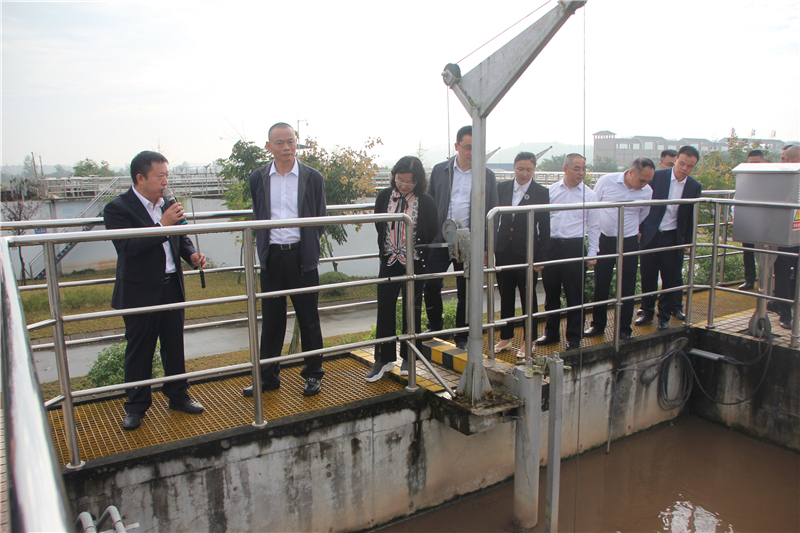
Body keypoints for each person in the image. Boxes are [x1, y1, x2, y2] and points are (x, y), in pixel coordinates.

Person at [104, 150, 206, 431]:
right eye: (159, 175)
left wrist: (191, 255)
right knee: (140, 350)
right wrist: (162, 225)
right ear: (140, 178)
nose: (165, 181)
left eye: (167, 175)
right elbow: (128, 248)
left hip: (171, 285)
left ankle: (178, 395)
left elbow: (180, 237)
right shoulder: (118, 208)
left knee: (174, 344)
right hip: (139, 291)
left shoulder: (167, 204)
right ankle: (136, 407)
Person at [245, 122, 326, 397]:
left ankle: (313, 374)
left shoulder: (312, 177)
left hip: (302, 257)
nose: (287, 147)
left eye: (290, 141)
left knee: (309, 319)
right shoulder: (258, 177)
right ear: (269, 146)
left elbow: (320, 218)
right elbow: (258, 214)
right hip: (272, 258)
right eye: (279, 143)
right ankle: (268, 377)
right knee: (271, 321)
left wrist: (308, 246)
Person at [424, 125, 499, 350]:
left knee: (466, 289)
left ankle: (462, 335)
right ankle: (435, 325)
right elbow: (429, 203)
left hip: (467, 240)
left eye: (477, 148)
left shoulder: (486, 175)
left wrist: (486, 247)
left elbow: (492, 212)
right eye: (467, 147)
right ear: (457, 146)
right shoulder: (440, 170)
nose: (471, 152)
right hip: (440, 238)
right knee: (430, 283)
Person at [367, 156, 438, 381]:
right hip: (389, 260)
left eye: (410, 182)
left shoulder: (426, 201)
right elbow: (379, 225)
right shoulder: (383, 196)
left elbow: (431, 230)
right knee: (385, 308)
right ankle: (383, 358)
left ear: (419, 180)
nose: (404, 185)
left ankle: (409, 355)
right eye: (400, 179)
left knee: (412, 308)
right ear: (393, 176)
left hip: (415, 262)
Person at [584, 158, 655, 340]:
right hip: (605, 238)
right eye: (642, 180)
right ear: (631, 172)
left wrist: (632, 229)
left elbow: (643, 214)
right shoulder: (607, 181)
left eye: (648, 181)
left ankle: (624, 328)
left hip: (629, 240)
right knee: (601, 282)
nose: (644, 184)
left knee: (627, 285)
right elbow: (593, 207)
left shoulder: (647, 191)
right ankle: (597, 325)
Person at [536, 154, 600, 350]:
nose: (581, 172)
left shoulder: (589, 195)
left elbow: (594, 226)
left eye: (584, 169)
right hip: (551, 246)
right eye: (577, 168)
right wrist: (540, 250)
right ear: (565, 169)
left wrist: (593, 252)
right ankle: (551, 333)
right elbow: (540, 222)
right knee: (551, 293)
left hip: (574, 246)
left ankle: (574, 337)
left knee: (575, 294)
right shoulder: (550, 191)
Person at [637, 146, 702, 331]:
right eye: (682, 163)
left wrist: (687, 241)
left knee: (670, 278)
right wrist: (639, 229)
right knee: (648, 276)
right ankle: (647, 311)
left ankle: (664, 316)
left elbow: (691, 217)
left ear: (694, 167)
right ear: (676, 161)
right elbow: (642, 204)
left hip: (674, 237)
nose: (684, 168)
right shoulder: (658, 176)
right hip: (650, 234)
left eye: (690, 166)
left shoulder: (694, 186)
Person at [493, 152, 550, 358]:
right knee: (505, 294)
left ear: (534, 169)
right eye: (520, 169)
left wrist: (541, 257)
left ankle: (529, 340)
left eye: (528, 169)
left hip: (527, 251)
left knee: (528, 297)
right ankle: (506, 337)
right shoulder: (502, 187)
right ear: (514, 168)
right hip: (503, 249)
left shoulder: (541, 192)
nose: (524, 173)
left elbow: (545, 227)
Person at [774, 145, 800, 329]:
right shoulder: (780, 178)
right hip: (783, 232)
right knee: (782, 272)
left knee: (791, 274)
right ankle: (784, 312)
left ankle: (786, 308)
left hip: (796, 231)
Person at [739, 149, 767, 291]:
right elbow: (737, 198)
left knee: (765, 254)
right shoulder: (745, 178)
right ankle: (749, 280)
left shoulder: (771, 178)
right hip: (748, 220)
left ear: (764, 161)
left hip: (765, 221)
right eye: (751, 163)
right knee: (748, 252)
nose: (754, 165)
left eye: (757, 162)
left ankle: (765, 281)